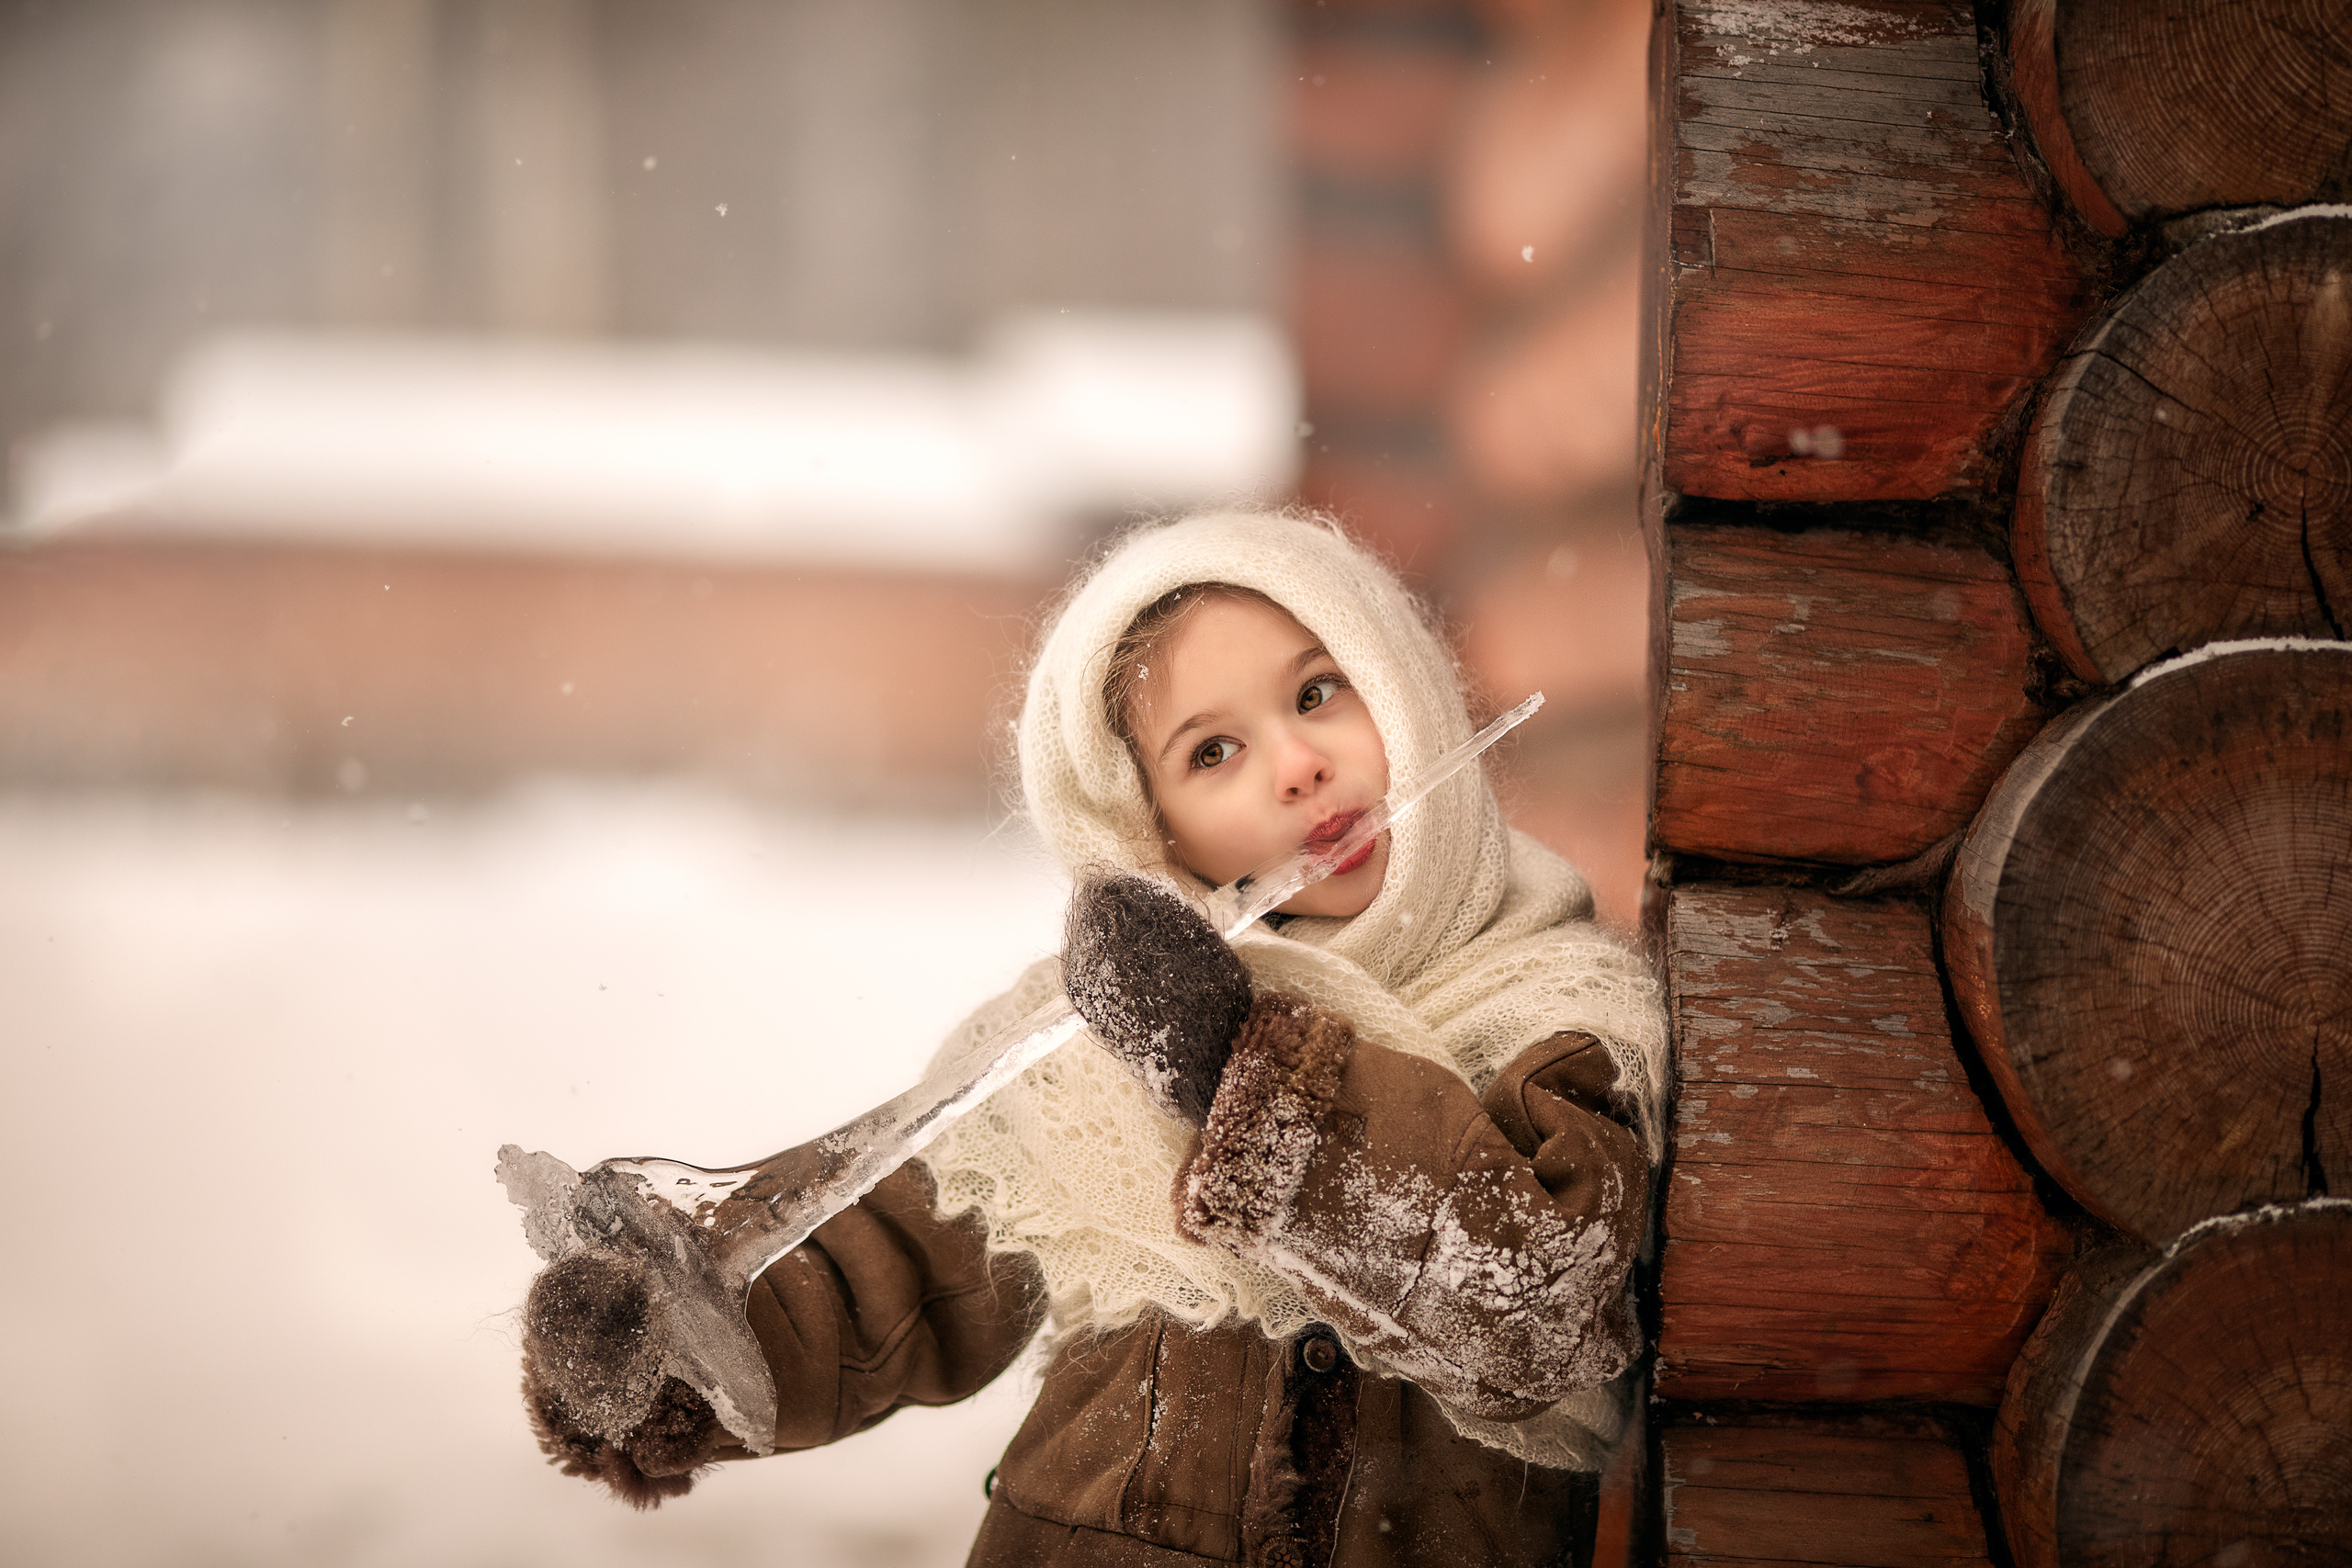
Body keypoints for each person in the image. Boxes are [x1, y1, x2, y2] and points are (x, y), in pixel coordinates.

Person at [520, 510, 1668, 1567]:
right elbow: (898, 1254)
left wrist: (1243, 1074)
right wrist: (669, 1353)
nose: (1296, 765)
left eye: (1319, 693)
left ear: (1403, 689)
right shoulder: (1100, 1036)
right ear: (1154, 833)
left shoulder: (1550, 1009)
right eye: (1210, 753)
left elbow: (1534, 1316)